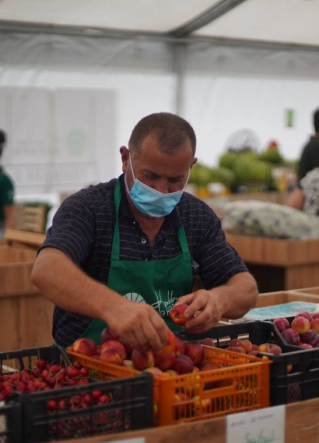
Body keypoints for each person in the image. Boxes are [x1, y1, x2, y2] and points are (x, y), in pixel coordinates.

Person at [31, 113, 258, 352]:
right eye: (150, 176)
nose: (161, 190)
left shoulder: (196, 217)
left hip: (169, 368)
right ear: (126, 158)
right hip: (85, 368)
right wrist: (113, 307)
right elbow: (46, 269)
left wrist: (219, 301)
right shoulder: (89, 209)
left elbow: (246, 288)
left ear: (191, 166)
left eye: (175, 180)